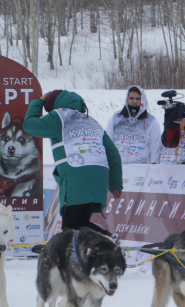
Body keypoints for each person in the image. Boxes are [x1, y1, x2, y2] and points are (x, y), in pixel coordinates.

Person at [23, 89, 122, 235]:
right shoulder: (91, 121)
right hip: (98, 182)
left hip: (75, 181)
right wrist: (115, 184)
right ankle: (106, 241)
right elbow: (113, 153)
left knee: (70, 228)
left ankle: (107, 240)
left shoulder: (58, 117)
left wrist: (38, 102)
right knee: (80, 224)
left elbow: (30, 125)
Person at [104, 85, 162, 164]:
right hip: (119, 167)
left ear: (142, 100)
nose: (134, 101)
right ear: (127, 99)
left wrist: (154, 168)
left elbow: (155, 149)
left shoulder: (151, 121)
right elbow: (108, 142)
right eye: (131, 98)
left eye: (137, 98)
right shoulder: (116, 118)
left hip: (141, 169)